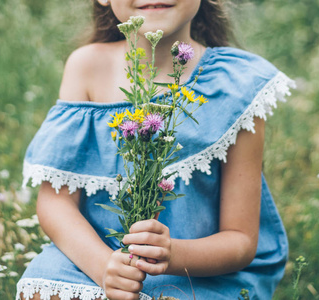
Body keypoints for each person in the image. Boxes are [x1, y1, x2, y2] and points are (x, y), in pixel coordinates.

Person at [17, 0, 295, 299]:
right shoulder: (86, 67)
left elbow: (240, 241)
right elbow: (55, 203)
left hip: (199, 271)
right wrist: (105, 268)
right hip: (94, 257)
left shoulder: (237, 83)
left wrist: (171, 254)